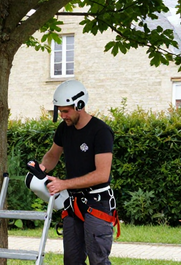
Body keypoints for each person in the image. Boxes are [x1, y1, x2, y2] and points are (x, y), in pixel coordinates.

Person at [36, 80, 118, 265]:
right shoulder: (64, 129)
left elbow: (101, 174)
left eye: (66, 111)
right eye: (60, 110)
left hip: (97, 203)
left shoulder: (101, 131)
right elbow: (53, 155)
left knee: (98, 260)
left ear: (80, 105)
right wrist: (42, 167)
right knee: (72, 260)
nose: (62, 115)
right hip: (72, 205)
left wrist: (63, 184)